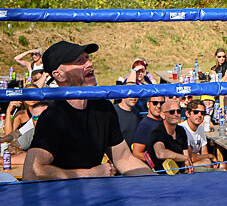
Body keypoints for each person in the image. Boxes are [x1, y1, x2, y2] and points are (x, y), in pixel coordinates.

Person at [23, 41, 152, 180]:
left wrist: (159, 183)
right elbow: (31, 173)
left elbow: (124, 159)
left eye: (87, 58)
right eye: (79, 61)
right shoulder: (54, 118)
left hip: (95, 196)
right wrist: (90, 174)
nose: (89, 64)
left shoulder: (103, 108)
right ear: (59, 75)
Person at [146, 98, 193, 173]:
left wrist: (187, 163)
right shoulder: (157, 132)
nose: (176, 114)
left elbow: (186, 155)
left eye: (178, 111)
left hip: (181, 173)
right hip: (162, 177)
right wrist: (184, 158)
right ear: (162, 115)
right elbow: (160, 153)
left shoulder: (181, 130)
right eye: (172, 112)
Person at [179, 99, 219, 170]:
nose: (199, 115)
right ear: (187, 114)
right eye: (196, 112)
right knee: (207, 163)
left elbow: (204, 152)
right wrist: (210, 156)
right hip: (184, 165)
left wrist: (209, 158)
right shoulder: (182, 129)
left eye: (202, 113)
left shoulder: (200, 128)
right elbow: (190, 157)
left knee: (223, 166)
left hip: (198, 161)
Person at [131, 96, 165, 162]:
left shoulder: (165, 121)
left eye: (162, 103)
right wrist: (154, 163)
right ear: (148, 104)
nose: (158, 106)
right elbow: (137, 153)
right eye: (155, 103)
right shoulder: (144, 126)